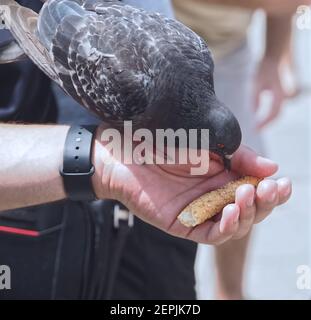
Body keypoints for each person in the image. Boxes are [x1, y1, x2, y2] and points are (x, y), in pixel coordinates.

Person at [0, 0, 291, 300]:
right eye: (218, 148)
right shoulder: (136, 91)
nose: (220, 157)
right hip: (75, 42)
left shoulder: (200, 54)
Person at [173, 0, 308, 299]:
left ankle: (230, 292)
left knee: (241, 182)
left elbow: (281, 6)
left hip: (230, 49)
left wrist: (273, 57)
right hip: (162, 50)